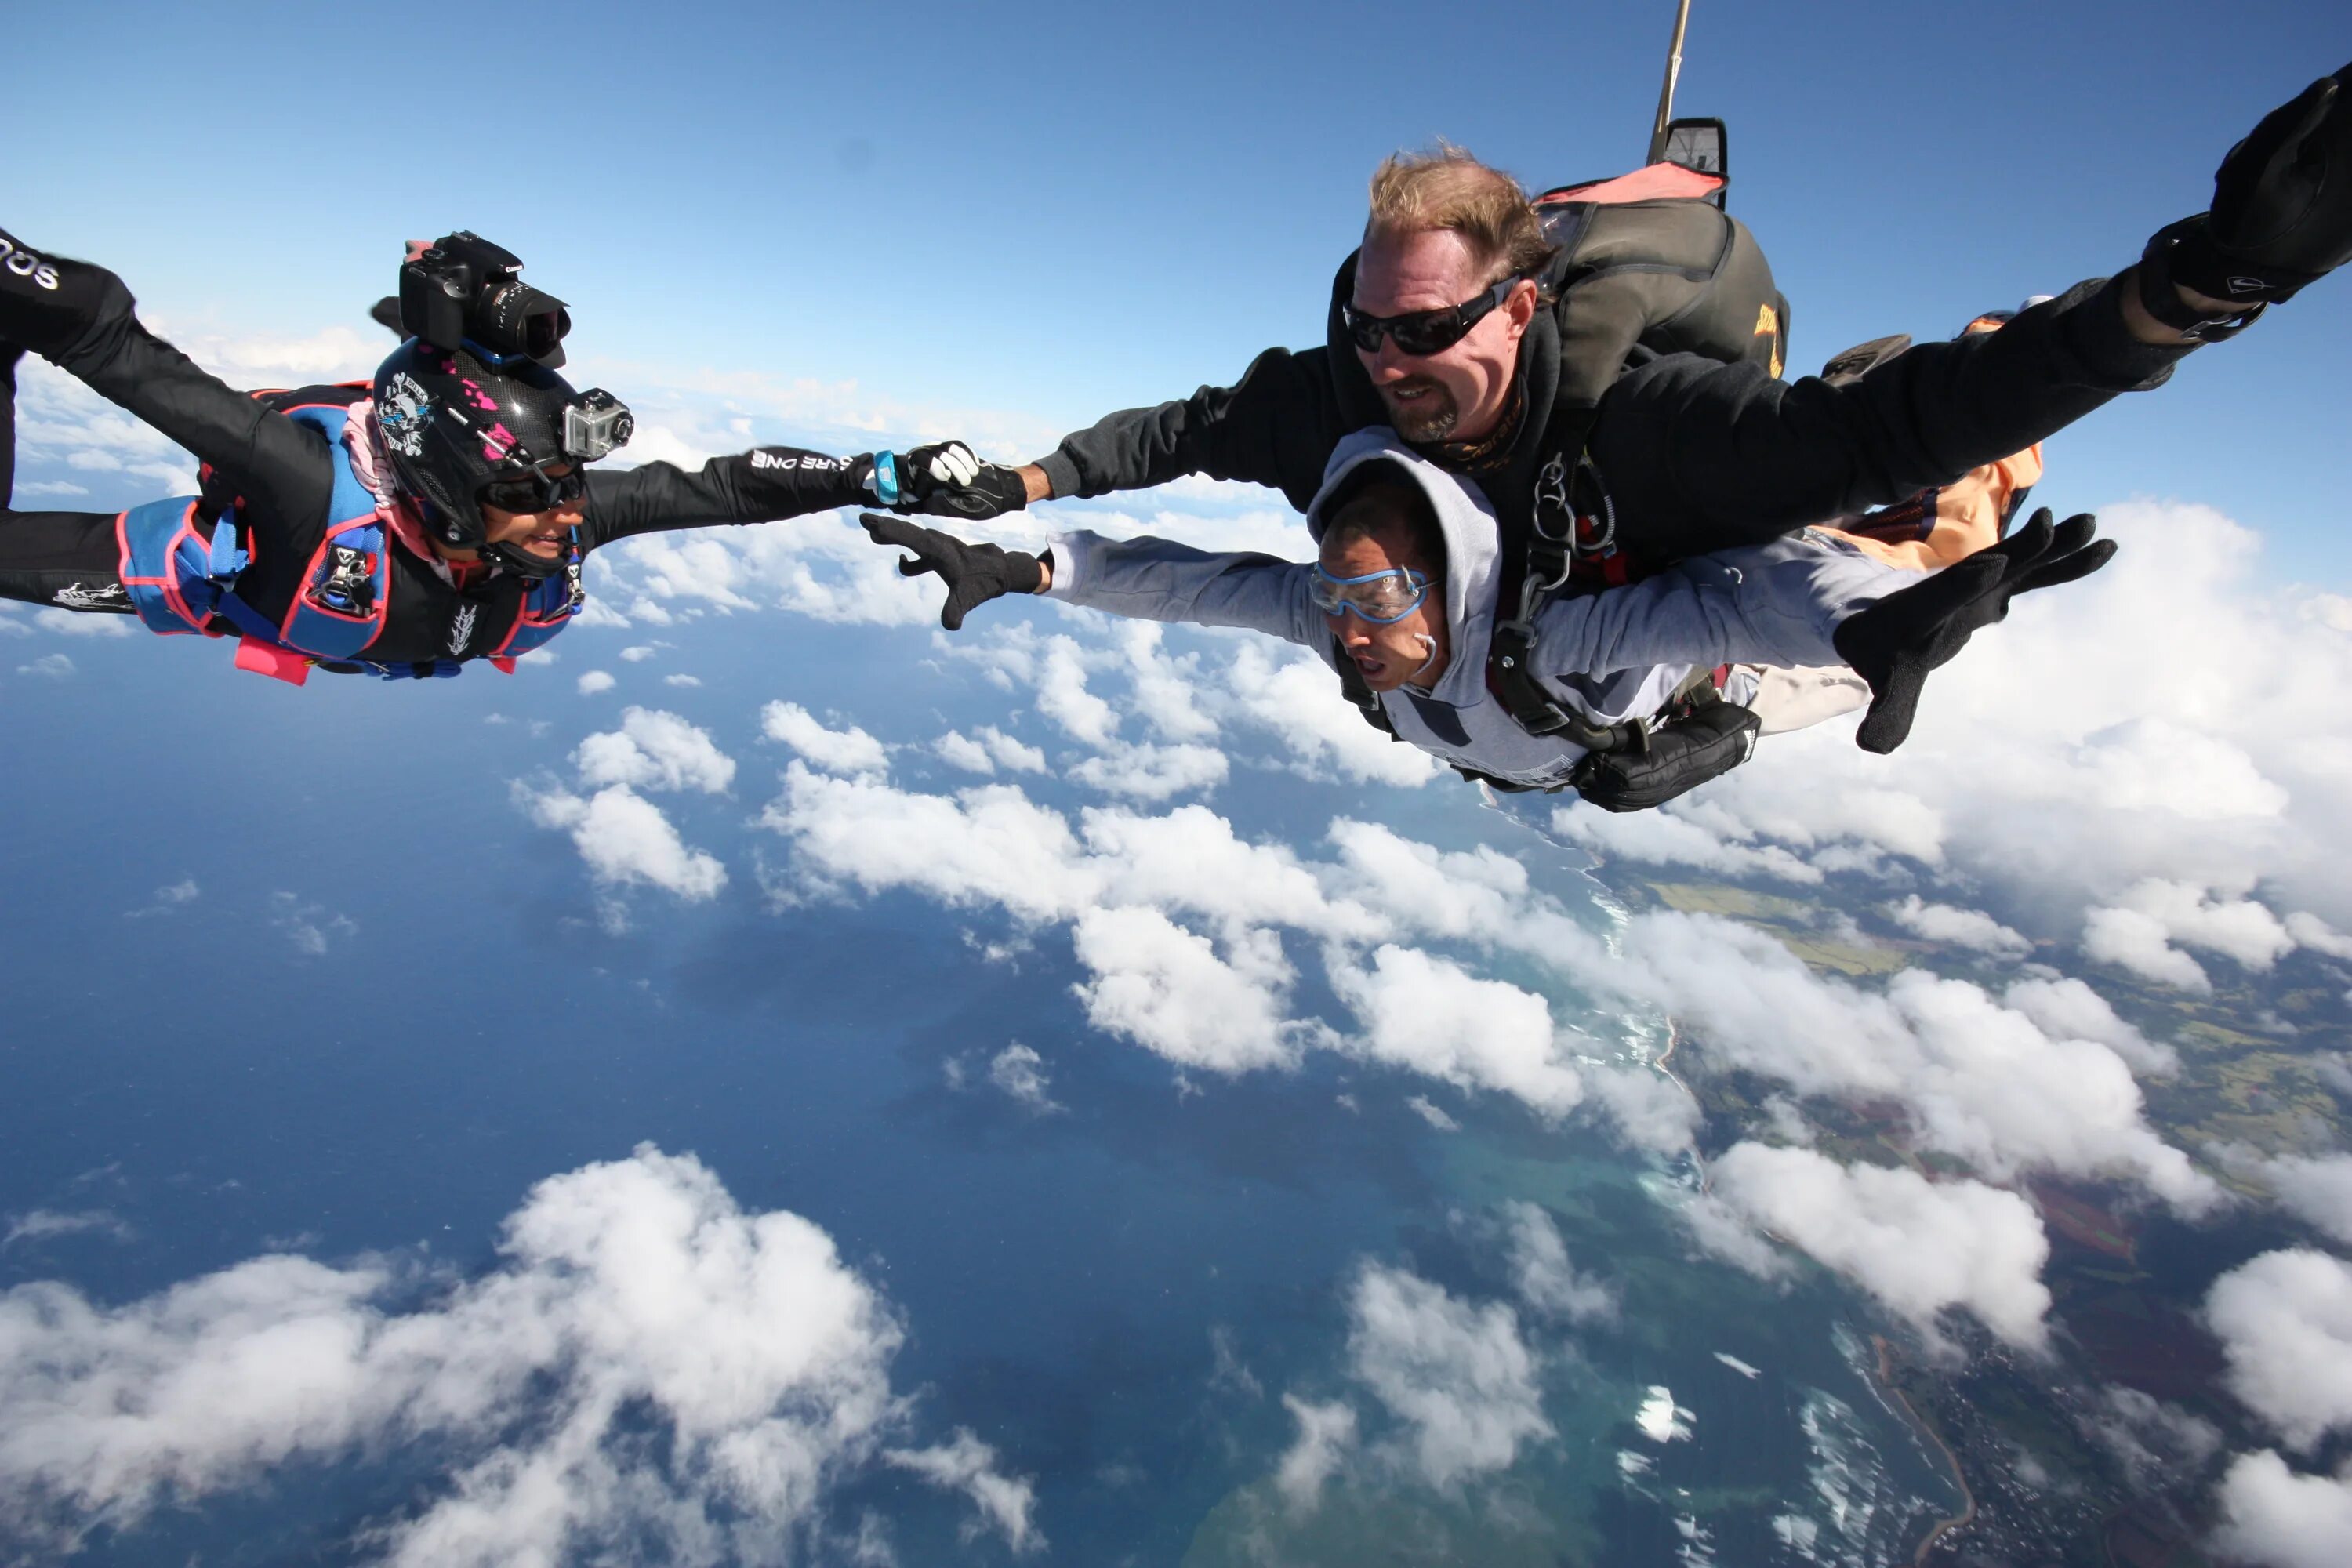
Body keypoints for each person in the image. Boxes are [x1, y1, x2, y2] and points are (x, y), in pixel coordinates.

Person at [906, 62, 2350, 588]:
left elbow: (1897, 430)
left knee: (1915, 486)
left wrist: (2192, 292)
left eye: (1430, 331)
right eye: (1369, 327)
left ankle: (2002, 332)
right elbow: (1185, 431)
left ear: (1520, 306)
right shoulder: (1340, 387)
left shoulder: (1643, 427)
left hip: (1707, 511)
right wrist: (1026, 482)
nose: (1395, 368)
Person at [862, 430, 2111, 807]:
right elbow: (1189, 581)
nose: (1343, 627)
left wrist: (1870, 632)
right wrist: (1029, 570)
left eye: (1371, 599)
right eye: (1335, 593)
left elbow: (1743, 599)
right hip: (1559, 746)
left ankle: (1987, 456)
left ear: (1443, 582)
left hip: (1742, 680)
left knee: (1925, 550)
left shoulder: (1550, 634)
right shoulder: (1332, 616)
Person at [0, 228, 996, 682]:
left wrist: (878, 473)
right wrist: (29, 291)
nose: (570, 513)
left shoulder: (559, 524)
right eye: (530, 492)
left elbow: (725, 485)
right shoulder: (303, 490)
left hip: (357, 618)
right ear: (435, 481)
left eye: (566, 484)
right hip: (258, 582)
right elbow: (121, 353)